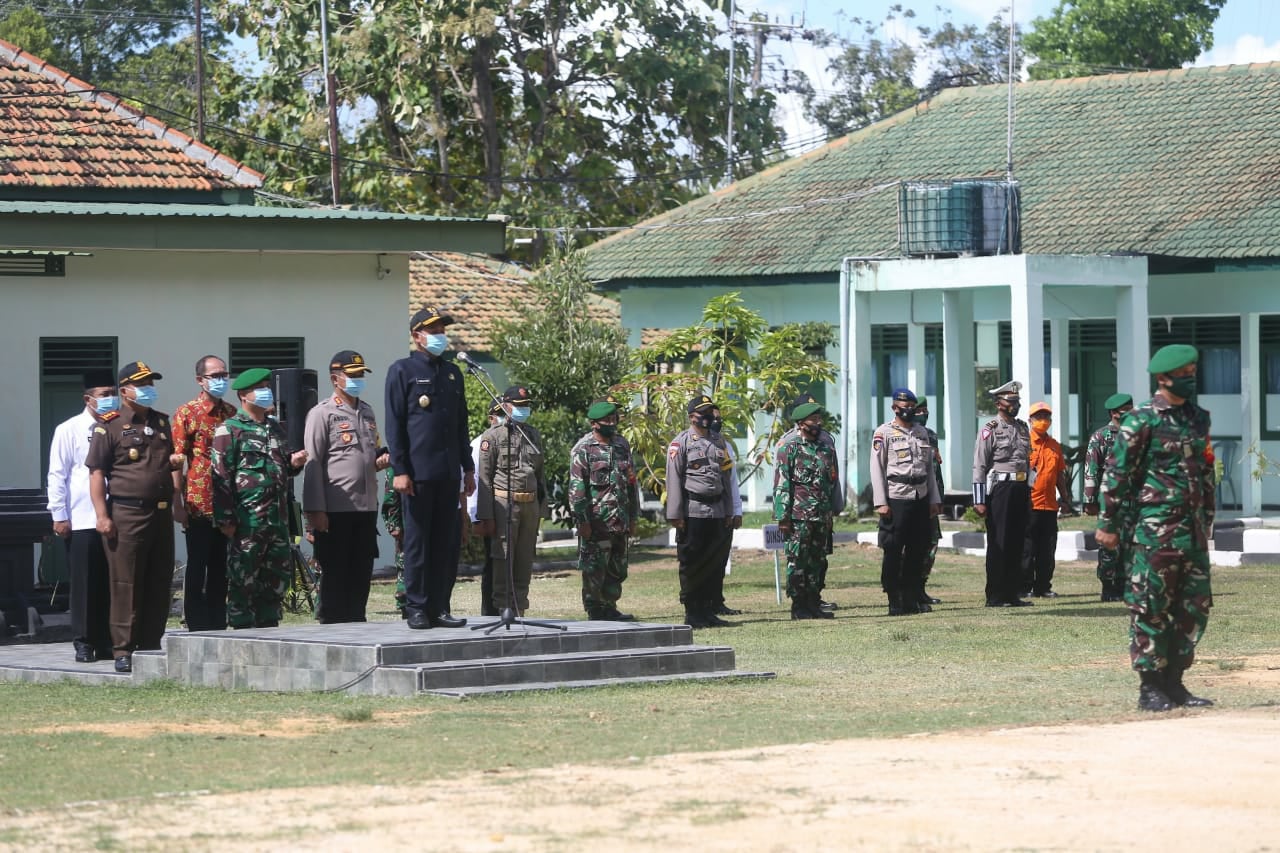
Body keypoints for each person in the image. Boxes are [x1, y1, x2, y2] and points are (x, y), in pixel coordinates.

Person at [1097, 345, 1216, 712]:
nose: (1191, 376)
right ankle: (1150, 688)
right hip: (1155, 531)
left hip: (1192, 532)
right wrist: (1108, 523)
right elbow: (1117, 473)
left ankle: (1175, 683)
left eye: (1194, 369)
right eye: (1184, 371)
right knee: (1150, 606)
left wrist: (1208, 519)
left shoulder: (1198, 417)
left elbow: (1207, 472)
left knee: (1194, 607)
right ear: (1164, 377)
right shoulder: (1141, 420)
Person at [384, 306, 474, 629]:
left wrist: (468, 468)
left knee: (445, 543)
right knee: (418, 542)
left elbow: (460, 425)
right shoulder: (402, 371)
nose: (439, 335)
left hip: (448, 473)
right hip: (417, 475)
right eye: (433, 330)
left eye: (441, 329)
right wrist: (401, 470)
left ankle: (440, 605)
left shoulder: (452, 373)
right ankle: (417, 607)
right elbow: (394, 426)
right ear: (417, 336)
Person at [85, 361, 177, 673]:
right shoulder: (109, 425)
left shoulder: (162, 423)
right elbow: (97, 473)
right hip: (127, 513)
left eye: (151, 383)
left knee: (158, 578)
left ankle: (151, 642)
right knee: (126, 582)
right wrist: (102, 515)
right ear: (125, 390)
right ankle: (123, 649)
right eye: (143, 384)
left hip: (161, 513)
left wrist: (178, 498)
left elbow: (170, 465)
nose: (149, 389)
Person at [211, 368, 308, 630]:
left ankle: (268, 629)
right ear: (244, 395)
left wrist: (294, 463)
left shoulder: (275, 428)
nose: (267, 392)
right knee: (243, 580)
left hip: (277, 520)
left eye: (268, 385)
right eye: (261, 387)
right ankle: (242, 632)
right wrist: (226, 519)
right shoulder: (229, 430)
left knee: (276, 579)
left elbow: (280, 468)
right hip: (247, 522)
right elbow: (220, 476)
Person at [302, 351, 388, 623]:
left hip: (365, 506)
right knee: (335, 573)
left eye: (361, 374)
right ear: (335, 379)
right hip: (335, 507)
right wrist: (314, 509)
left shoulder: (367, 411)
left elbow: (367, 455)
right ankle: (331, 625)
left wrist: (379, 461)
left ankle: (356, 624)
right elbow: (313, 463)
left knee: (361, 571)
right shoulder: (322, 413)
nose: (358, 380)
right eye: (352, 375)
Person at [47, 368, 118, 663]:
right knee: (86, 583)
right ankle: (84, 641)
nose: (110, 400)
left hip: (116, 517)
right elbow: (57, 473)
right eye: (104, 395)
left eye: (113, 394)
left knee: (112, 581)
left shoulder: (120, 427)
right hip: (82, 518)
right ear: (88, 399)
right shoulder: (69, 429)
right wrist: (59, 514)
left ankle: (108, 639)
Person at [171, 355, 237, 632]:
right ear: (200, 380)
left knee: (221, 566)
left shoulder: (232, 413)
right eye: (215, 376)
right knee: (198, 565)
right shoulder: (187, 413)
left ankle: (218, 621)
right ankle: (196, 624)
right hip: (198, 502)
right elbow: (176, 460)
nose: (221, 380)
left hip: (228, 503)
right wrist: (177, 502)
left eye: (224, 375)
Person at [666, 395, 735, 628]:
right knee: (692, 562)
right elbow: (673, 479)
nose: (707, 417)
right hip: (692, 511)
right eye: (702, 412)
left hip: (716, 510)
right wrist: (676, 514)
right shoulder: (680, 443)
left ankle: (708, 610)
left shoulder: (719, 441)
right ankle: (692, 611)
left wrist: (729, 510)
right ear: (691, 416)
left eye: (709, 412)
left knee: (713, 562)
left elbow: (725, 477)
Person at [870, 388, 942, 615]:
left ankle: (911, 599)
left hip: (920, 497)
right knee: (893, 549)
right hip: (896, 498)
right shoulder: (884, 433)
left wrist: (934, 499)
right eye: (904, 406)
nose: (909, 410)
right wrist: (881, 501)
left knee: (917, 550)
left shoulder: (922, 433)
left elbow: (929, 469)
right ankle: (894, 599)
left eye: (912, 406)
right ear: (895, 408)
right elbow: (876, 468)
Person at [476, 386, 546, 614]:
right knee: (503, 557)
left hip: (530, 504)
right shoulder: (493, 436)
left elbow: (540, 474)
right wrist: (486, 516)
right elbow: (484, 479)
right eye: (519, 406)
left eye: (526, 406)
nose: (523, 410)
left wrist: (541, 510)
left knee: (525, 559)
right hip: (504, 504)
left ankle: (520, 607)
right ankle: (503, 607)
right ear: (506, 406)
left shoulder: (533, 434)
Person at [569, 398, 639, 621]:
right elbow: (577, 490)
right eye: (607, 420)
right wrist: (583, 522)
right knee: (594, 569)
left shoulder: (621, 445)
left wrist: (634, 517)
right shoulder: (584, 449)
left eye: (614, 418)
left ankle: (610, 606)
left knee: (617, 568)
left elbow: (631, 483)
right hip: (597, 521)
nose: (612, 423)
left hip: (620, 520)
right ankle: (595, 610)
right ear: (594, 423)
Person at [774, 393, 844, 611]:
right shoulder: (789, 448)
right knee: (797, 561)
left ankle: (814, 602)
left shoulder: (826, 448)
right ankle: (799, 605)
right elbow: (782, 484)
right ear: (801, 422)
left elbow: (832, 481)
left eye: (818, 418)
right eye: (813, 419)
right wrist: (783, 517)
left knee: (818, 561)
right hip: (798, 517)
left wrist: (832, 511)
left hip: (821, 515)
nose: (818, 423)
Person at [972, 379, 1033, 608]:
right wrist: (979, 500)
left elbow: (1028, 461)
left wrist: (1031, 487)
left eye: (1017, 401)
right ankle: (996, 595)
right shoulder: (990, 430)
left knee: (1018, 542)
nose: (1015, 405)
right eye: (1011, 401)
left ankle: (1012, 593)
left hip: (1020, 489)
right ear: (999, 403)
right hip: (1001, 490)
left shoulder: (1022, 428)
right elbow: (979, 465)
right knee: (1000, 541)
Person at [1083, 392, 1134, 602]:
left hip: (1135, 501)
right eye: (1126, 412)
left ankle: (1125, 585)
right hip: (1110, 501)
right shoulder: (1101, 437)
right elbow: (1091, 470)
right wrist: (1090, 500)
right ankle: (1109, 587)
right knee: (1110, 546)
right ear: (1114, 413)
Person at [1022, 401, 1076, 598]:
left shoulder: (1054, 445)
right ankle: (1025, 586)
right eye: (1039, 417)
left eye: (1046, 418)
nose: (1043, 421)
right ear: (1030, 420)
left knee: (1047, 548)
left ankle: (1043, 586)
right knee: (1027, 549)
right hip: (1029, 504)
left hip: (1050, 505)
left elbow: (1060, 474)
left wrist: (1066, 497)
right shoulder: (1024, 444)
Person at [711, 405, 744, 616]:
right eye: (712, 418)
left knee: (720, 559)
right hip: (700, 511)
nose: (716, 422)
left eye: (719, 418)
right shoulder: (685, 442)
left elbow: (732, 480)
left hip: (724, 510)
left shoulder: (724, 445)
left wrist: (737, 509)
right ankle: (701, 603)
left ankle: (716, 600)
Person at [913, 396, 944, 606]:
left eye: (925, 410)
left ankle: (921, 587)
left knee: (931, 544)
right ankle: (907, 589)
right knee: (911, 547)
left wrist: (939, 497)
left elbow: (936, 469)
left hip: (931, 500)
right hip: (911, 498)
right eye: (918, 410)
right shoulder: (896, 434)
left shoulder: (931, 436)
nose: (923, 414)